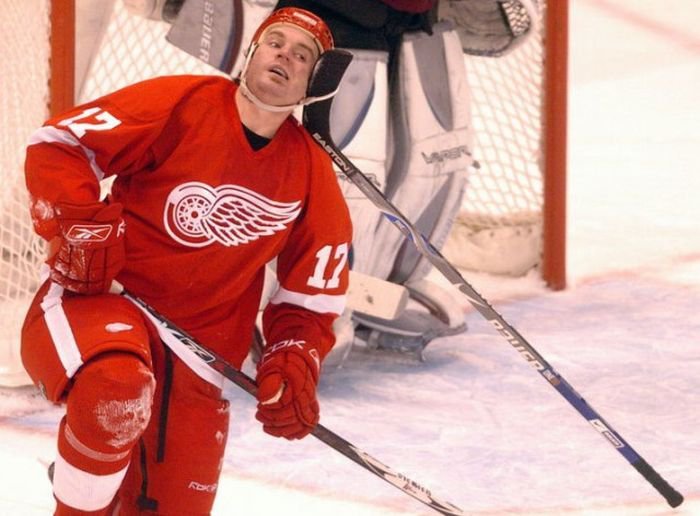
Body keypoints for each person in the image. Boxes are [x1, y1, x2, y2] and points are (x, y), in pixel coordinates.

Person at [21, 7, 352, 515]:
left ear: (314, 83)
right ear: (251, 53)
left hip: (200, 354)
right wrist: (78, 223)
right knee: (116, 390)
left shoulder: (309, 170)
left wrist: (294, 357)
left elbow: (311, 298)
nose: (285, 55)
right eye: (275, 42)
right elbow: (60, 143)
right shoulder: (181, 102)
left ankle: (96, 473)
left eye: (302, 55)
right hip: (99, 305)